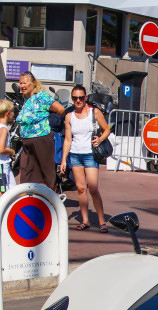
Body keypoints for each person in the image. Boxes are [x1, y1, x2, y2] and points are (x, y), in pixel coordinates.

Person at [60, 84, 111, 232]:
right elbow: (68, 140)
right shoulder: (69, 116)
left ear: (85, 98)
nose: (78, 100)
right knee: (81, 189)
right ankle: (85, 220)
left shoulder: (94, 112)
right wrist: (64, 159)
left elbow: (106, 129)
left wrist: (100, 140)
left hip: (90, 154)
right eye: (75, 98)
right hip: (75, 155)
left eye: (81, 97)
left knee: (93, 188)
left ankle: (102, 221)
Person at [13, 72, 64, 190]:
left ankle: (52, 197)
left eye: (24, 83)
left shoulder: (41, 96)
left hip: (42, 138)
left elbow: (60, 109)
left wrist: (47, 121)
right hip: (27, 140)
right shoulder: (26, 99)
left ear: (34, 83)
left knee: (46, 170)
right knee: (26, 170)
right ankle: (28, 196)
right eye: (20, 83)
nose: (22, 86)